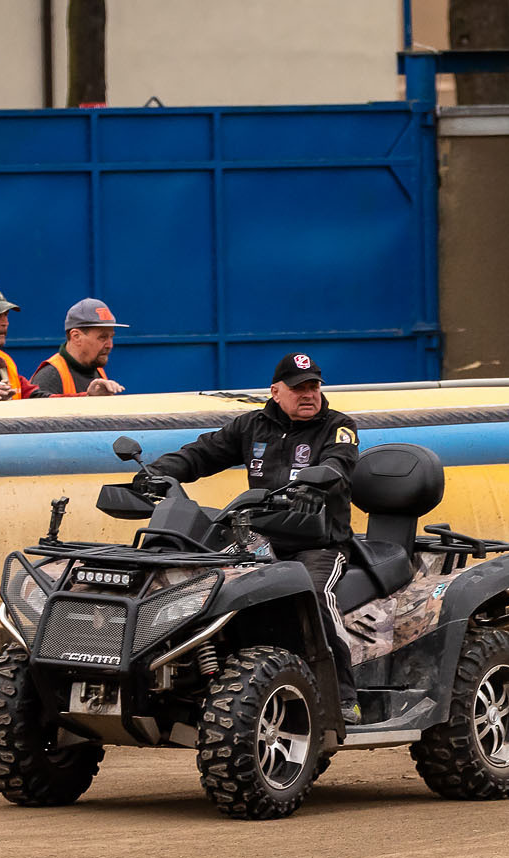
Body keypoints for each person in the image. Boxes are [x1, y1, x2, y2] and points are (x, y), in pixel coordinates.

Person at [147, 352, 364, 716]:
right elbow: (202, 454)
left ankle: (344, 698)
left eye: (313, 386)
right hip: (257, 541)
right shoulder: (251, 426)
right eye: (298, 388)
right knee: (198, 582)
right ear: (276, 391)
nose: (308, 394)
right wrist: (157, 473)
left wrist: (317, 487)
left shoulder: (339, 426)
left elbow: (338, 463)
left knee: (313, 595)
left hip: (321, 544)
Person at [29, 298, 130, 396]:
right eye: (102, 337)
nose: (110, 345)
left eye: (111, 337)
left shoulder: (96, 369)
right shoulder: (50, 377)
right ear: (76, 336)